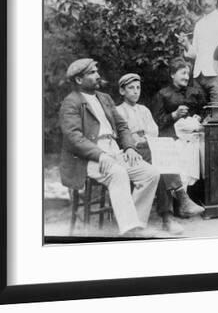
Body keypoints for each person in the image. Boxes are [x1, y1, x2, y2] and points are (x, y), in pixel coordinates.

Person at [58, 58, 160, 238]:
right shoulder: (71, 102)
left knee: (151, 174)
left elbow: (121, 126)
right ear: (79, 80)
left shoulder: (104, 98)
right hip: (87, 157)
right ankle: (130, 229)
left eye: (97, 71)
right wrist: (99, 154)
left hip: (114, 150)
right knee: (118, 173)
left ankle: (133, 222)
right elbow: (74, 138)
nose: (98, 75)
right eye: (92, 73)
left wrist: (129, 147)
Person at [116, 73, 204, 234]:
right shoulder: (118, 111)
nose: (136, 91)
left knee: (160, 163)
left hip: (148, 150)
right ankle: (175, 205)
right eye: (131, 88)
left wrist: (143, 135)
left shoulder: (143, 110)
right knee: (161, 157)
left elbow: (154, 131)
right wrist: (139, 137)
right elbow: (123, 136)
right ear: (122, 91)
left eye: (138, 88)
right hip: (130, 154)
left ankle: (170, 214)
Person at [152, 57, 207, 138]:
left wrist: (200, 117)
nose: (187, 77)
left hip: (195, 135)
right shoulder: (162, 94)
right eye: (183, 73)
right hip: (172, 137)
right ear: (172, 74)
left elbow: (205, 111)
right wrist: (174, 115)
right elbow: (157, 122)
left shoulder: (196, 93)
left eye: (188, 74)